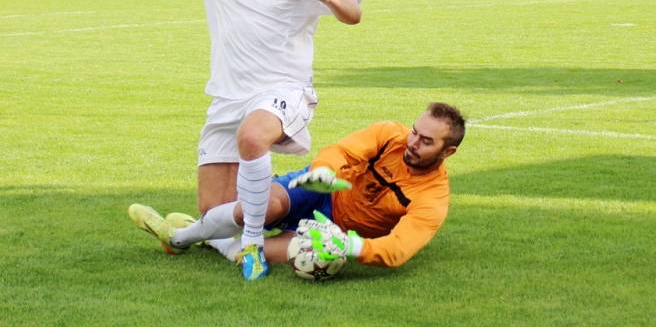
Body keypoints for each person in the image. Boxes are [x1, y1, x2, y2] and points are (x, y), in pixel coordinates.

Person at [95, 0, 361, 281]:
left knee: (254, 138)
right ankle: (184, 235)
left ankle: (253, 245)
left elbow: (354, 13)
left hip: (283, 92)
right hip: (227, 99)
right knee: (216, 213)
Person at [129, 102, 465, 273]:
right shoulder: (390, 134)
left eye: (426, 141)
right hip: (319, 190)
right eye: (415, 131)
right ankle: (178, 239)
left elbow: (398, 249)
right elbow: (342, 151)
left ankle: (210, 238)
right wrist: (323, 171)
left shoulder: (432, 198)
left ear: (447, 152)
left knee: (260, 252)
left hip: (333, 229)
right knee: (259, 210)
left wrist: (348, 246)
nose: (413, 142)